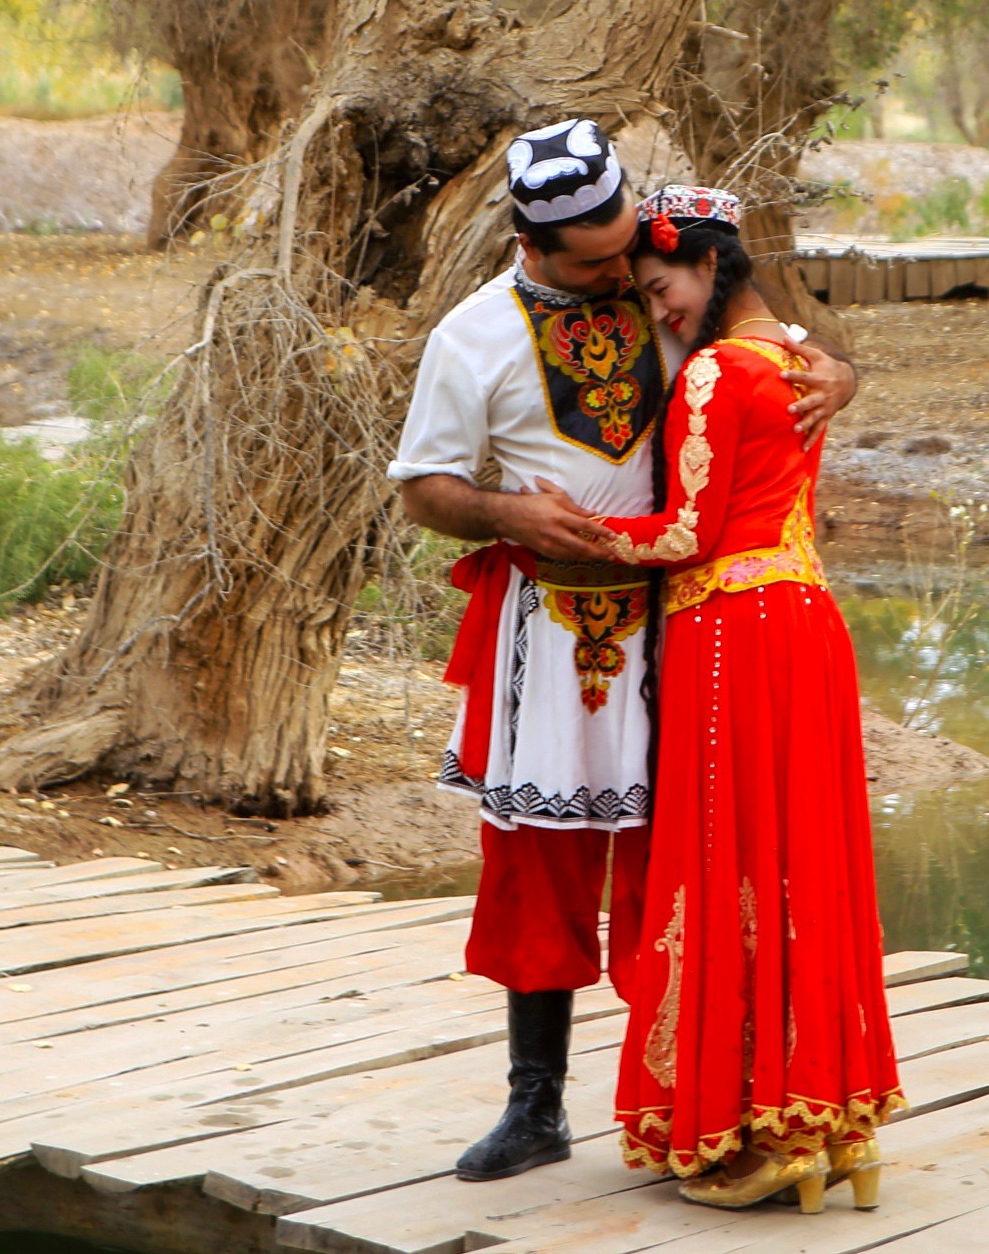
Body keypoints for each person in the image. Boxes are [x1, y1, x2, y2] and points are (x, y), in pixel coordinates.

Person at [388, 120, 857, 1185]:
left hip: (687, 621)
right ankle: (535, 1104)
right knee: (536, 866)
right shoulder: (471, 337)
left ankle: (697, 1099)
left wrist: (839, 371)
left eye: (629, 253)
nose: (620, 280)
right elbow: (423, 485)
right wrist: (511, 511)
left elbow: (769, 347)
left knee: (690, 857)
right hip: (547, 625)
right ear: (530, 243)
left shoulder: (664, 284)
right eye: (596, 262)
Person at [588, 183, 902, 1215]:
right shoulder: (799, 357)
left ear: (711, 262)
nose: (658, 306)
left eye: (661, 281)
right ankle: (824, 1123)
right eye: (644, 291)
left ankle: (743, 1131)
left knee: (726, 859)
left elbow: (685, 533)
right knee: (799, 861)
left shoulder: (718, 371)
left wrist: (562, 531)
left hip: (732, 631)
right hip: (806, 624)